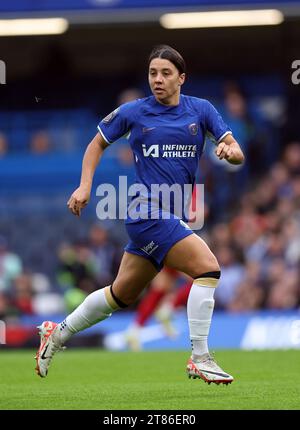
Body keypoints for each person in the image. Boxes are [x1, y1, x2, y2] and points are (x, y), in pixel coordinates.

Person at [35, 45, 244, 384]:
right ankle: (200, 357)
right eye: (152, 73)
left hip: (172, 214)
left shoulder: (202, 110)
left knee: (121, 295)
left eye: (165, 73)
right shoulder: (134, 112)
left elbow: (236, 152)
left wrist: (228, 151)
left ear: (182, 78)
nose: (157, 80)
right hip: (145, 210)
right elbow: (95, 144)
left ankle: (56, 334)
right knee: (208, 268)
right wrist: (85, 186)